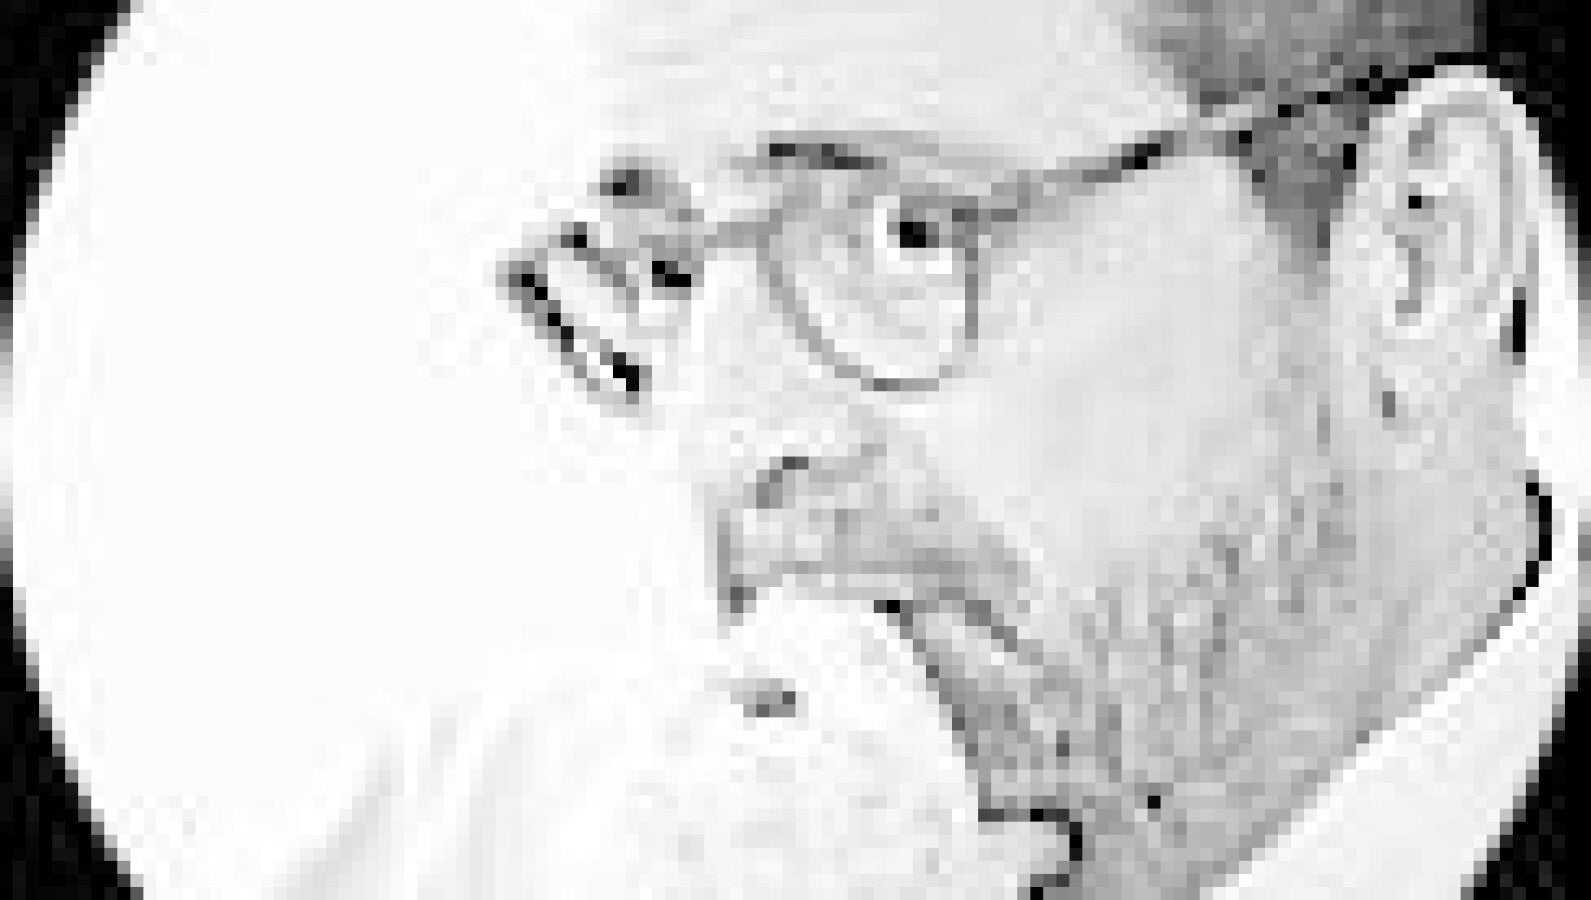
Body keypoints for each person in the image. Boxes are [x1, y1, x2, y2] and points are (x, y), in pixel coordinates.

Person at [254, 1, 1578, 897]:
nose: (728, 439)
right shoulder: (466, 842)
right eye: (667, 265)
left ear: (1421, 247)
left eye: (908, 231)